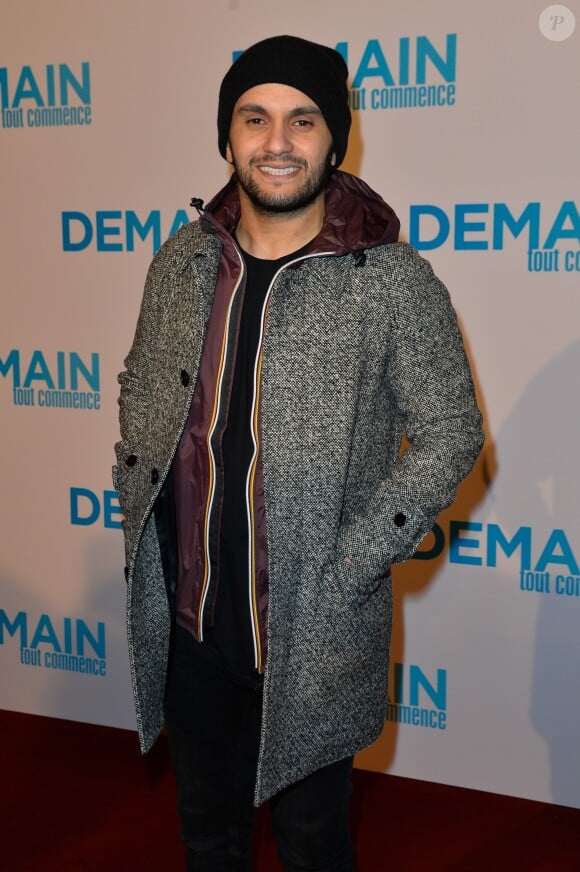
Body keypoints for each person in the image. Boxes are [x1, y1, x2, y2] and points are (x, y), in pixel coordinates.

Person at [114, 34, 484, 872]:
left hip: (314, 627)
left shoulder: (391, 280)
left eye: (302, 119)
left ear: (334, 137)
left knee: (314, 844)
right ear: (228, 135)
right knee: (208, 838)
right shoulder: (180, 262)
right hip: (191, 624)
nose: (276, 142)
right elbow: (142, 379)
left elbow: (452, 427)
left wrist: (357, 555)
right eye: (254, 118)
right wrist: (133, 482)